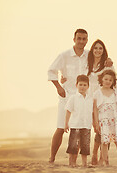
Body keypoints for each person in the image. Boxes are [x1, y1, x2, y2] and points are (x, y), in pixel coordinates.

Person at [47, 29, 112, 163]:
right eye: (79, 38)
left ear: (87, 40)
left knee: (89, 127)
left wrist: (109, 61)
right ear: (74, 39)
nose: (81, 41)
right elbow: (51, 71)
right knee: (60, 127)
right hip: (67, 96)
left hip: (86, 98)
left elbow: (102, 58)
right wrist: (58, 87)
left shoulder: (90, 55)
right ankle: (52, 158)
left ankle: (98, 157)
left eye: (84, 39)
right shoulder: (64, 55)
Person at [93, 69, 117, 167]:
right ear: (101, 80)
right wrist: (96, 123)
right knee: (104, 142)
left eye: (110, 80)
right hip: (104, 121)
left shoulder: (116, 92)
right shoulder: (97, 93)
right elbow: (95, 109)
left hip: (115, 121)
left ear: (113, 82)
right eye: (106, 79)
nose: (108, 81)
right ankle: (106, 162)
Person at [64, 75, 93, 167]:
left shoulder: (90, 99)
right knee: (73, 145)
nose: (82, 87)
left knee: (85, 145)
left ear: (88, 86)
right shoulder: (73, 98)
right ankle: (72, 163)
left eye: (85, 85)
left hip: (86, 125)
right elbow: (68, 111)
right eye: (80, 85)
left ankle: (84, 163)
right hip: (75, 125)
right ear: (76, 85)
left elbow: (92, 113)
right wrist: (66, 124)